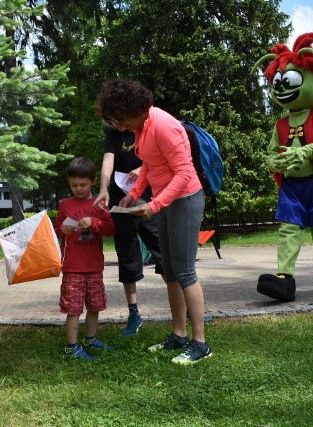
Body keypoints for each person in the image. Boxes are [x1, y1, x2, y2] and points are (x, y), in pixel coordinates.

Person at [95, 79, 212, 365]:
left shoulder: (162, 125)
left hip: (184, 199)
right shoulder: (141, 128)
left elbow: (184, 173)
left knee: (185, 272)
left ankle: (200, 343)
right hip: (166, 200)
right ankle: (179, 335)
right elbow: (148, 165)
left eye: (120, 119)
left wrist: (155, 204)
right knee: (170, 271)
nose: (119, 126)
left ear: (133, 109)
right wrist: (133, 195)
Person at [251, 32, 313, 302]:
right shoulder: (280, 124)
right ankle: (284, 279)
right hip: (293, 187)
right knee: (288, 230)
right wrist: (277, 161)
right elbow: (272, 152)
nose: (282, 88)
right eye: (277, 83)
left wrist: (305, 152)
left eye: (290, 81)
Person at [93, 127, 163, 337]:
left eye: (119, 117)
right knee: (127, 256)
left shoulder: (146, 127)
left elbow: (161, 157)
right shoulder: (113, 134)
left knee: (165, 251)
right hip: (121, 202)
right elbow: (108, 160)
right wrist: (104, 187)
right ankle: (134, 314)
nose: (118, 123)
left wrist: (143, 169)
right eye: (112, 119)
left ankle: (185, 306)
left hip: (149, 199)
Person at [54, 157, 116, 360]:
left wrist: (95, 221)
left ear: (93, 181)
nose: (78, 189)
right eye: (74, 185)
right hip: (72, 267)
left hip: (95, 266)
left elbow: (110, 230)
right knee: (73, 308)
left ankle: (90, 339)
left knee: (94, 305)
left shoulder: (100, 204)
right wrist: (62, 230)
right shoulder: (65, 204)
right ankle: (71, 347)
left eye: (83, 184)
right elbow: (56, 231)